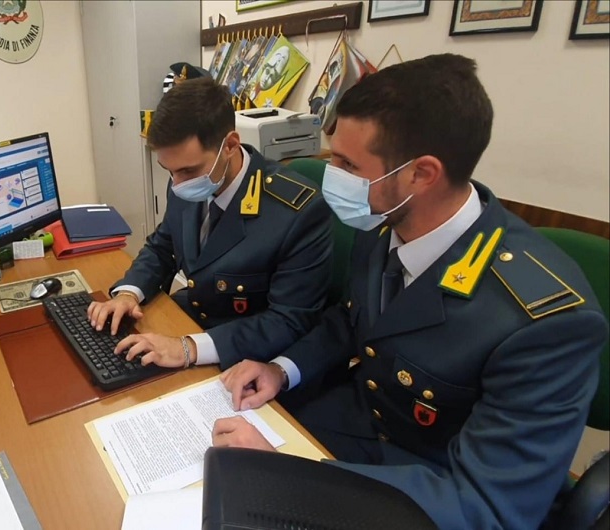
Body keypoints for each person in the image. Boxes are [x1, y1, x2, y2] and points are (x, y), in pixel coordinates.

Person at [213, 54, 608, 529]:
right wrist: (281, 369)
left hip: (430, 491)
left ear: (421, 174)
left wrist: (297, 476)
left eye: (346, 163)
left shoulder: (546, 321)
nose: (330, 174)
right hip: (356, 428)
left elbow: (484, 507)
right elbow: (352, 319)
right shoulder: (384, 220)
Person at [87, 77, 332, 371]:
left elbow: (288, 320)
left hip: (246, 358)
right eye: (169, 171)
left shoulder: (297, 212)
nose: (177, 184)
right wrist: (129, 293)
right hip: (189, 322)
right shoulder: (188, 181)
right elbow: (164, 245)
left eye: (188, 170)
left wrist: (188, 348)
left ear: (229, 145)